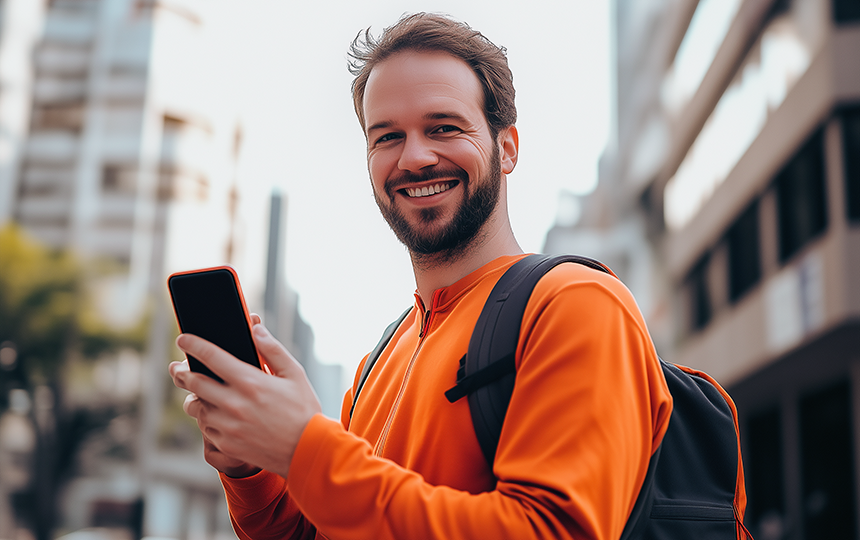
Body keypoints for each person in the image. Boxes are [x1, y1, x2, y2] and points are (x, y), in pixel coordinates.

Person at [169, 13, 673, 540]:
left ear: (507, 147)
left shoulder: (577, 304)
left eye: (444, 128)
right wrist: (252, 463)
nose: (415, 157)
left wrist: (304, 446)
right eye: (387, 137)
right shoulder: (376, 364)